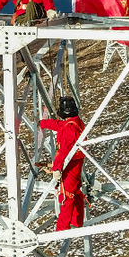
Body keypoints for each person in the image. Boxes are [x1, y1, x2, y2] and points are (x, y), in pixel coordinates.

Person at [39, 96, 85, 231]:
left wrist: (56, 168)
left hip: (70, 164)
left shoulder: (69, 128)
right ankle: (77, 221)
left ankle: (62, 229)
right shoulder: (74, 123)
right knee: (75, 191)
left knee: (66, 195)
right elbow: (60, 126)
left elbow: (64, 150)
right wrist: (44, 123)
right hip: (75, 162)